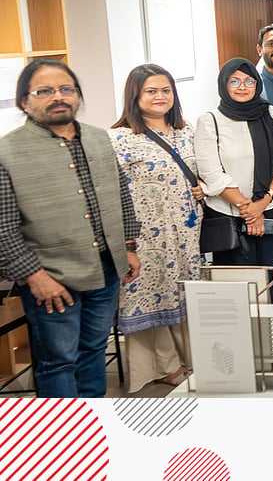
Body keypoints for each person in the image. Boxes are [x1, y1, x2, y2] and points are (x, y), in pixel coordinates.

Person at [0, 60, 141, 398]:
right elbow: (3, 228)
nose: (58, 97)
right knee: (58, 362)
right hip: (51, 277)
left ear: (77, 95)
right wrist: (34, 276)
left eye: (66, 89)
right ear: (24, 101)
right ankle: (62, 429)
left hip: (105, 269)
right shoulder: (7, 152)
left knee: (94, 349)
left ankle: (93, 420)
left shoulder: (97, 138)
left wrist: (128, 246)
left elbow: (121, 194)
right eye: (44, 91)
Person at [109, 64, 206, 392]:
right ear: (134, 96)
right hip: (145, 236)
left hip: (187, 233)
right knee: (150, 294)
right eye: (151, 91)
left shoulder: (186, 131)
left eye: (166, 90)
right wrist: (126, 242)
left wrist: (202, 187)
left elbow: (202, 170)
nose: (160, 96)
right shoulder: (120, 138)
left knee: (183, 290)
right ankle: (163, 365)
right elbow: (114, 191)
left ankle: (191, 358)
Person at [195, 58, 273, 267]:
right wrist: (248, 209)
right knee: (236, 280)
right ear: (223, 84)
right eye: (234, 81)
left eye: (249, 81)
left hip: (272, 207)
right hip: (228, 213)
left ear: (257, 84)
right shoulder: (210, 121)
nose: (242, 87)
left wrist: (261, 204)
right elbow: (211, 173)